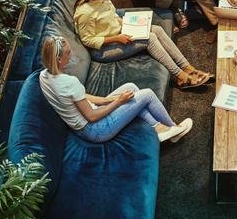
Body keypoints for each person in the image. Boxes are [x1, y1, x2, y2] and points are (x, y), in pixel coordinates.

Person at [73, 0, 213, 89]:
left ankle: (187, 67)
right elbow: (87, 40)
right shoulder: (84, 12)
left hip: (119, 32)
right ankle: (180, 76)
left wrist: (126, 23)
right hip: (102, 50)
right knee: (149, 39)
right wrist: (116, 38)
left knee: (157, 29)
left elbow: (112, 15)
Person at [39, 35, 193, 143]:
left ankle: (159, 128)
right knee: (147, 95)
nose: (71, 55)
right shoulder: (69, 82)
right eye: (68, 53)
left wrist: (106, 100)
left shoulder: (43, 76)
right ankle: (173, 127)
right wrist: (118, 101)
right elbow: (91, 117)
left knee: (130, 88)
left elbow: (79, 97)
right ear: (59, 59)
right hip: (95, 130)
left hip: (85, 123)